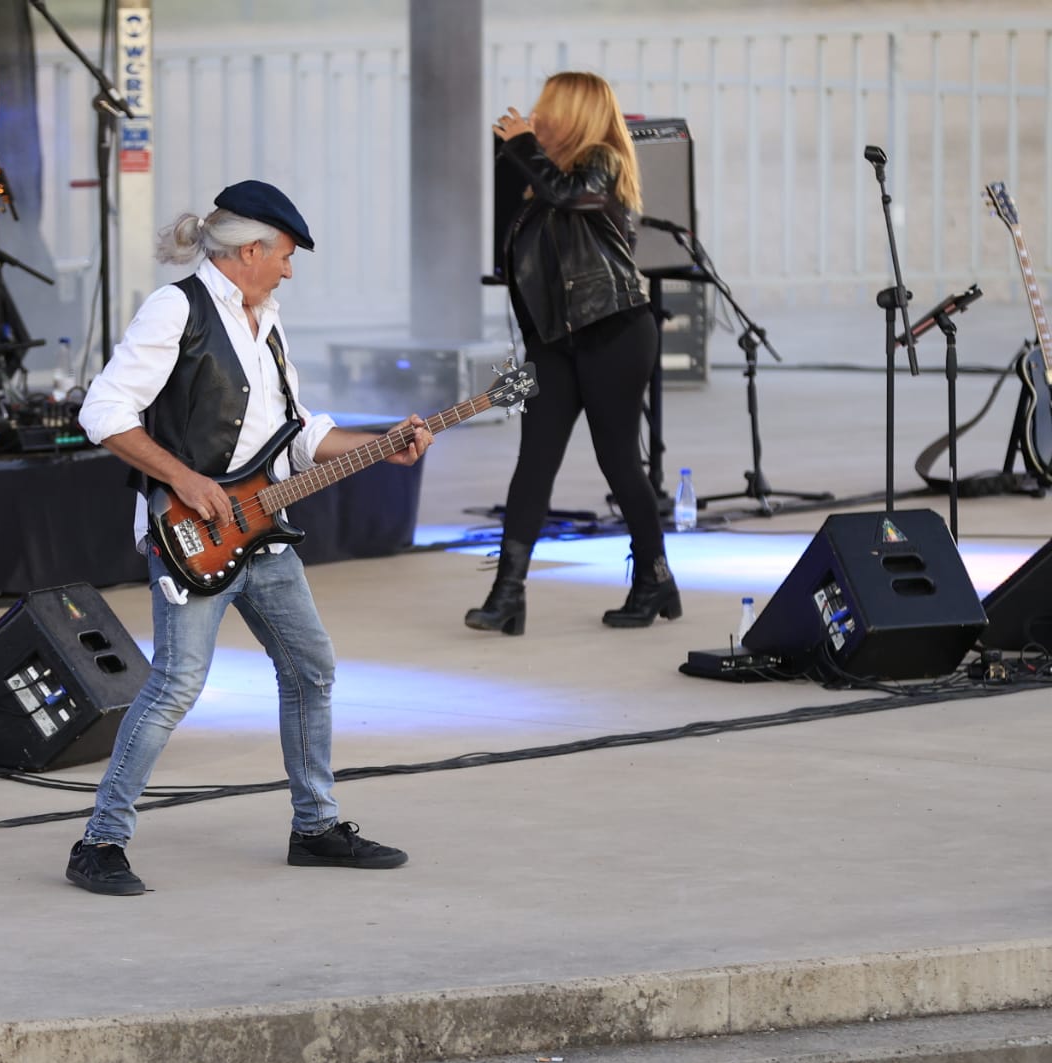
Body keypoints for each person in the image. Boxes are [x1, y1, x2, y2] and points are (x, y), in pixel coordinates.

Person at [67, 179, 434, 896]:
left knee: (310, 669)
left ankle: (316, 827)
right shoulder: (177, 308)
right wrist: (186, 481)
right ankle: (99, 843)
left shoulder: (267, 321)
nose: (290, 270)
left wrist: (380, 443)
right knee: (175, 685)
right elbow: (104, 409)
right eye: (286, 255)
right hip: (193, 534)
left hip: (263, 535)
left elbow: (293, 436)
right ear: (251, 249)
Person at [467, 71, 680, 636]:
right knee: (534, 461)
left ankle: (653, 576)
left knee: (618, 461)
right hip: (555, 342)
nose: (537, 113)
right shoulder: (540, 176)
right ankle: (507, 592)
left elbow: (570, 195)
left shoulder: (603, 162)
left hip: (613, 328)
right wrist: (513, 153)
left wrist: (522, 146)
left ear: (576, 111)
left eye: (549, 106)